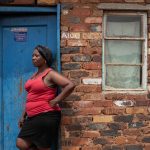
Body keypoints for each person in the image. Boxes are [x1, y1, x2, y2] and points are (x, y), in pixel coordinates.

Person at [16, 45, 75, 150]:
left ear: (45, 59)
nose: (33, 58)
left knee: (28, 144)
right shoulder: (35, 75)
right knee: (22, 144)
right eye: (32, 55)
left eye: (36, 56)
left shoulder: (49, 74)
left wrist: (56, 100)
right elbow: (31, 96)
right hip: (32, 116)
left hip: (46, 115)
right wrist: (23, 115)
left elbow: (70, 85)